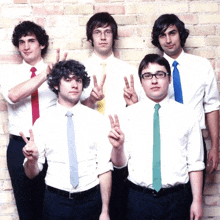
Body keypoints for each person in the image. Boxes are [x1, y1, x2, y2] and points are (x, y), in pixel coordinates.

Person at [109, 54, 204, 220]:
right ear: (141, 81)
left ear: (169, 79)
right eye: (148, 76)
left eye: (160, 74)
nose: (154, 80)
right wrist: (117, 148)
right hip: (139, 199)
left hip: (177, 199)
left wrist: (197, 200)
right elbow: (120, 164)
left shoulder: (187, 115)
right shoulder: (128, 115)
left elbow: (195, 162)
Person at [21, 59, 112, 220]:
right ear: (56, 85)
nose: (75, 84)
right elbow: (31, 173)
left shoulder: (97, 120)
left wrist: (104, 211)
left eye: (78, 80)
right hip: (56, 202)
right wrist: (32, 160)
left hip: (91, 201)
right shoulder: (43, 122)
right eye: (68, 80)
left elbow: (104, 167)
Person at [80, 12, 144, 219]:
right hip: (88, 144)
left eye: (108, 32)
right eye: (97, 32)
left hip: (120, 146)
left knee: (119, 205)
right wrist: (90, 101)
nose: (103, 36)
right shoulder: (80, 71)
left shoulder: (130, 71)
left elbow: (141, 114)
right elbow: (71, 111)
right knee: (91, 204)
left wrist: (134, 103)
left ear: (114, 36)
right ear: (90, 38)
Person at [0, 21, 58, 220]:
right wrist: (45, 74)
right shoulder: (8, 73)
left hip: (51, 144)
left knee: (53, 204)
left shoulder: (58, 72)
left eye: (31, 41)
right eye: (21, 42)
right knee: (27, 210)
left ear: (42, 44)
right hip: (19, 146)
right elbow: (14, 96)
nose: (25, 46)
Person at [151, 14, 219, 175]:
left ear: (180, 34)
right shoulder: (152, 70)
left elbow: (212, 106)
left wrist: (215, 147)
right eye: (162, 35)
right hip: (164, 141)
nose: (168, 40)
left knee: (196, 196)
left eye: (172, 33)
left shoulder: (201, 66)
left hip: (195, 139)